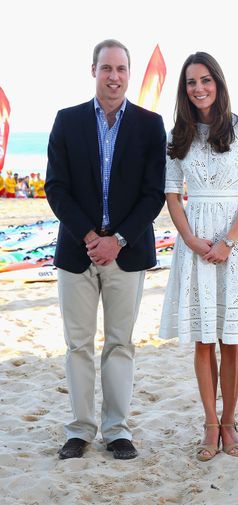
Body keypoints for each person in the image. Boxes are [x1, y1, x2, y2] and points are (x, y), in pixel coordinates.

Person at [45, 39, 166, 460]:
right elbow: (55, 188)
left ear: (129, 74)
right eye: (106, 68)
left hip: (127, 253)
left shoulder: (151, 125)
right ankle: (79, 429)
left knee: (120, 343)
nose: (113, 76)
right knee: (78, 345)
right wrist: (90, 238)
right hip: (77, 253)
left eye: (121, 69)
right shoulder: (67, 120)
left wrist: (118, 240)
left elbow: (153, 195)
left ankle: (117, 430)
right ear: (93, 71)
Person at [159, 52, 238, 461]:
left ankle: (229, 421)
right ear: (184, 90)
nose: (198, 88)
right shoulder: (179, 134)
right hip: (195, 243)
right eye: (190, 82)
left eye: (205, 80)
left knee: (232, 340)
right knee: (204, 339)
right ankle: (208, 423)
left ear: (218, 83)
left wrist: (228, 242)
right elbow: (172, 194)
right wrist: (190, 239)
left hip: (233, 243)